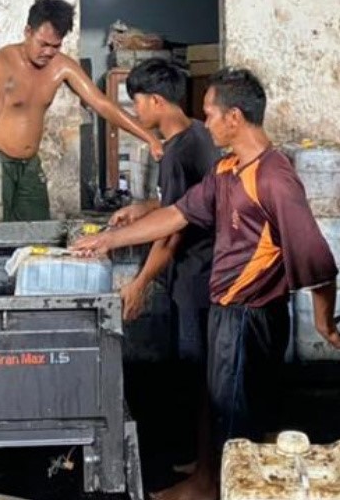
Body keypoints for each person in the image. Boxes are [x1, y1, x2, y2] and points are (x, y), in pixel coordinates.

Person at [72, 67, 340, 500]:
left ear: (234, 117)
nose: (204, 122)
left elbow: (317, 260)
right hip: (226, 313)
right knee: (220, 411)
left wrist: (324, 322)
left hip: (250, 316)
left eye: (209, 113)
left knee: (237, 424)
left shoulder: (273, 178)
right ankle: (208, 484)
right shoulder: (227, 170)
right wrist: (108, 240)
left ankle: (225, 491)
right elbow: (176, 214)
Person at [111, 58, 220, 486]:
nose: (135, 110)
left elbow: (173, 233)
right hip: (203, 271)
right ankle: (205, 460)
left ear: (156, 101)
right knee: (202, 374)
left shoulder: (178, 150)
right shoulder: (196, 135)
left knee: (201, 376)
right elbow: (180, 202)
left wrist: (139, 283)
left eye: (137, 101)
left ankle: (207, 474)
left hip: (196, 275)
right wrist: (143, 208)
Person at [0, 0, 163, 221]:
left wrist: (150, 138)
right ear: (28, 32)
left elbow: (102, 104)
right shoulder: (3, 61)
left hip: (30, 164)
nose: (48, 52)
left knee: (38, 231)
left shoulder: (62, 66)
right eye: (43, 44)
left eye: (55, 46)